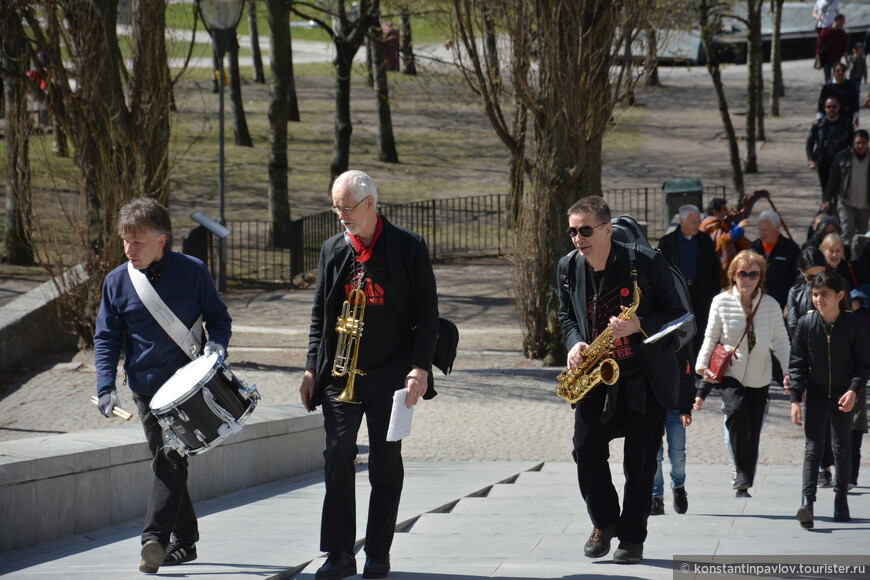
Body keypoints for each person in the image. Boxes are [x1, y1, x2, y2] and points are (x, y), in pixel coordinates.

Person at [299, 170, 439, 580]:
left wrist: (419, 367)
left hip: (392, 373)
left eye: (346, 207)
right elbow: (318, 317)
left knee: (385, 464)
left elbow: (427, 314)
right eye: (336, 207)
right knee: (338, 456)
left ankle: (379, 552)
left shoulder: (408, 247)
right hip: (340, 376)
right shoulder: (332, 250)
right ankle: (340, 554)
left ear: (371, 205)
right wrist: (311, 368)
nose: (340, 215)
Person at [94, 197, 232, 574]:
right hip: (144, 392)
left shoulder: (193, 271)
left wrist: (217, 344)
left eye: (137, 242)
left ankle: (153, 539)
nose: (128, 250)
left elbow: (218, 318)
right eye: (124, 240)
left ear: (161, 240)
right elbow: (106, 338)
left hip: (186, 390)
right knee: (168, 463)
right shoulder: (117, 282)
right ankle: (185, 543)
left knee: (169, 460)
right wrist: (106, 385)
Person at [557, 196, 686, 564]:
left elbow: (678, 314)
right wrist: (574, 342)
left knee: (640, 464)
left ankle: (631, 538)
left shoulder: (646, 262)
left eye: (585, 230)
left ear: (607, 229)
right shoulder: (568, 267)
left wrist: (640, 324)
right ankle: (604, 522)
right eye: (572, 231)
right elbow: (566, 315)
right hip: (597, 376)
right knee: (585, 450)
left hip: (644, 377)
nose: (578, 238)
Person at [694, 251, 791, 497]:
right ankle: (740, 470)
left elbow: (781, 341)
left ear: (761, 277)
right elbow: (711, 336)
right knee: (736, 410)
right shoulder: (720, 301)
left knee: (753, 428)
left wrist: (790, 371)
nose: (747, 279)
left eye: (753, 274)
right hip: (731, 371)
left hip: (760, 375)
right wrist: (702, 365)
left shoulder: (770, 305)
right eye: (742, 273)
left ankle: (745, 478)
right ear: (733, 275)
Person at [789, 270, 870, 528]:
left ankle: (840, 498)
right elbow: (797, 364)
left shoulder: (855, 324)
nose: (818, 299)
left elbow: (864, 364)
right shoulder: (806, 324)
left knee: (842, 448)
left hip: (844, 393)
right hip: (815, 392)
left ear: (840, 296)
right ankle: (806, 502)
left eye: (824, 294)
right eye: (815, 294)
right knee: (813, 447)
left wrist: (855, 390)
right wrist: (794, 398)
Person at [824, 130, 870, 250]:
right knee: (847, 232)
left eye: (864, 143)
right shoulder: (842, 157)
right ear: (853, 143)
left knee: (862, 236)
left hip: (866, 205)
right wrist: (826, 199)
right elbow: (833, 180)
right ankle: (845, 261)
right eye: (858, 143)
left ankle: (860, 264)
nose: (860, 146)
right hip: (846, 202)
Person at [749, 209, 801, 310]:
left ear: (777, 227)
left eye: (765, 230)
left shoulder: (791, 249)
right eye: (760, 230)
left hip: (782, 305)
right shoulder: (753, 248)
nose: (762, 233)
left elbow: (798, 279)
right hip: (758, 304)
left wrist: (792, 303)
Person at [807, 96, 854, 201]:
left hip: (841, 162)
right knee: (826, 189)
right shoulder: (818, 124)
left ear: (838, 107)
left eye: (834, 106)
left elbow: (852, 143)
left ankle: (838, 212)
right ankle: (827, 211)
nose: (831, 109)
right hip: (823, 161)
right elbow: (810, 143)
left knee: (840, 190)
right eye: (828, 107)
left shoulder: (846, 124)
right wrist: (811, 160)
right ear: (825, 108)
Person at [699, 198, 750, 288]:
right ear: (715, 212)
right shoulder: (710, 224)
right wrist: (738, 228)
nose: (727, 212)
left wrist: (734, 222)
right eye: (724, 209)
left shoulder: (721, 222)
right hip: (712, 268)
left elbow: (738, 238)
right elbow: (722, 240)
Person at [786, 247, 828, 338]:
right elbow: (793, 326)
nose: (816, 281)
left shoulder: (839, 285)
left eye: (821, 276)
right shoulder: (795, 292)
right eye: (810, 277)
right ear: (801, 272)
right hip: (807, 346)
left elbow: (847, 318)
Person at [817, 14, 849, 84]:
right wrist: (818, 62)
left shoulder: (842, 33)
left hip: (837, 58)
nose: (844, 23)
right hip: (827, 59)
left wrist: (847, 62)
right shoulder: (825, 32)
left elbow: (844, 48)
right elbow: (818, 48)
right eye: (843, 21)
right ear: (837, 20)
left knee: (837, 76)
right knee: (828, 78)